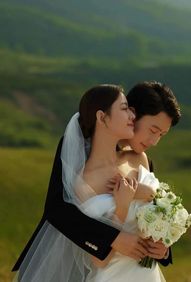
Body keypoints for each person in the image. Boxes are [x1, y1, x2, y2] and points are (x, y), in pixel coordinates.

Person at [12, 81, 180, 276]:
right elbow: (57, 208)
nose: (155, 141)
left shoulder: (140, 159)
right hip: (85, 265)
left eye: (162, 134)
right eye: (153, 130)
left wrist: (163, 248)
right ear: (134, 114)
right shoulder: (78, 145)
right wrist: (113, 238)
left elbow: (151, 212)